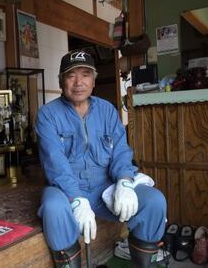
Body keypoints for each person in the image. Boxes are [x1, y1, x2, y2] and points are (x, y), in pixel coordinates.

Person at [35, 50, 166, 268]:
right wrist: (76, 199)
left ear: (93, 81)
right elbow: (54, 163)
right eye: (71, 75)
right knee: (53, 208)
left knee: (154, 201)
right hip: (65, 188)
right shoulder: (47, 114)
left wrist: (124, 181)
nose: (79, 82)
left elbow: (121, 151)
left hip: (105, 186)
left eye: (85, 74)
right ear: (61, 81)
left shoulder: (107, 110)